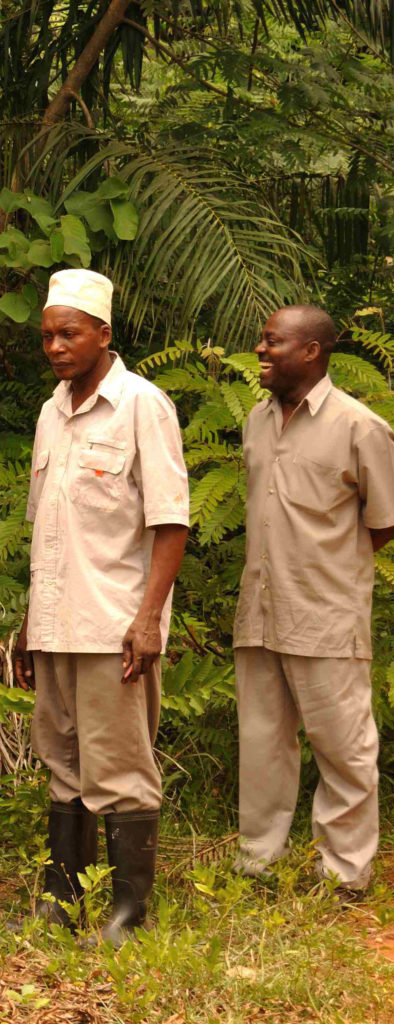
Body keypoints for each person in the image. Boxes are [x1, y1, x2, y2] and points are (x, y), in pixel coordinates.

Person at [11, 269, 189, 946]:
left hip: (114, 624)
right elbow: (44, 529)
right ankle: (62, 899)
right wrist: (30, 623)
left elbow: (171, 521)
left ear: (103, 334)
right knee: (62, 763)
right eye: (48, 334)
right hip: (56, 624)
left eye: (70, 333)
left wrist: (148, 619)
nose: (56, 346)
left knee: (120, 767)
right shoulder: (50, 412)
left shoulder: (142, 404)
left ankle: (127, 914)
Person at [232, 305, 392, 896]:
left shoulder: (359, 427)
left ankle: (345, 874)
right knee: (262, 744)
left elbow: (383, 521)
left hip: (325, 613)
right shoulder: (256, 419)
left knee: (344, 746)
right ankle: (257, 865)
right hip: (261, 612)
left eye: (273, 342)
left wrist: (328, 565)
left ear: (311, 352)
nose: (260, 350)